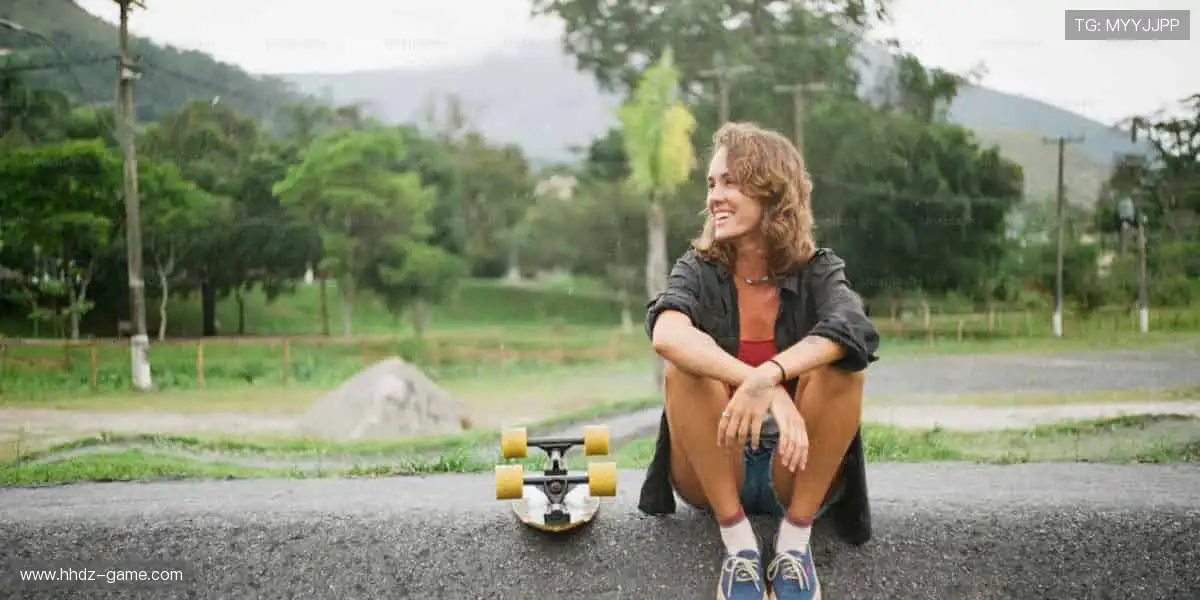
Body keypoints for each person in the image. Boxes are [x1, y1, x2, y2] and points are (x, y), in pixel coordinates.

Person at [639, 121, 879, 600]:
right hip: (714, 468)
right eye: (711, 184)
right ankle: (739, 549)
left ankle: (794, 545)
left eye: (730, 182)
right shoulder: (699, 268)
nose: (715, 197)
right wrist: (763, 387)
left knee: (843, 367)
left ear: (772, 191)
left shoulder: (818, 270)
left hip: (796, 467)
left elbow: (855, 328)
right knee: (684, 367)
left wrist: (771, 374)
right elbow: (666, 333)